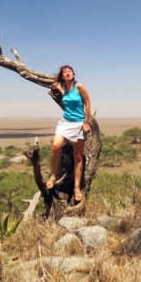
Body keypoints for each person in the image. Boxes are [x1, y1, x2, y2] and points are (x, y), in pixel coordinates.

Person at [47, 65, 92, 202]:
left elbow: (88, 103)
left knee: (78, 156)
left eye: (69, 71)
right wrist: (57, 87)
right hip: (65, 122)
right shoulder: (64, 89)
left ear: (73, 74)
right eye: (65, 72)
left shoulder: (79, 86)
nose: (68, 73)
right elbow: (62, 93)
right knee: (56, 146)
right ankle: (53, 175)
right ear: (62, 76)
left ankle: (76, 188)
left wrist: (86, 122)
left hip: (79, 123)